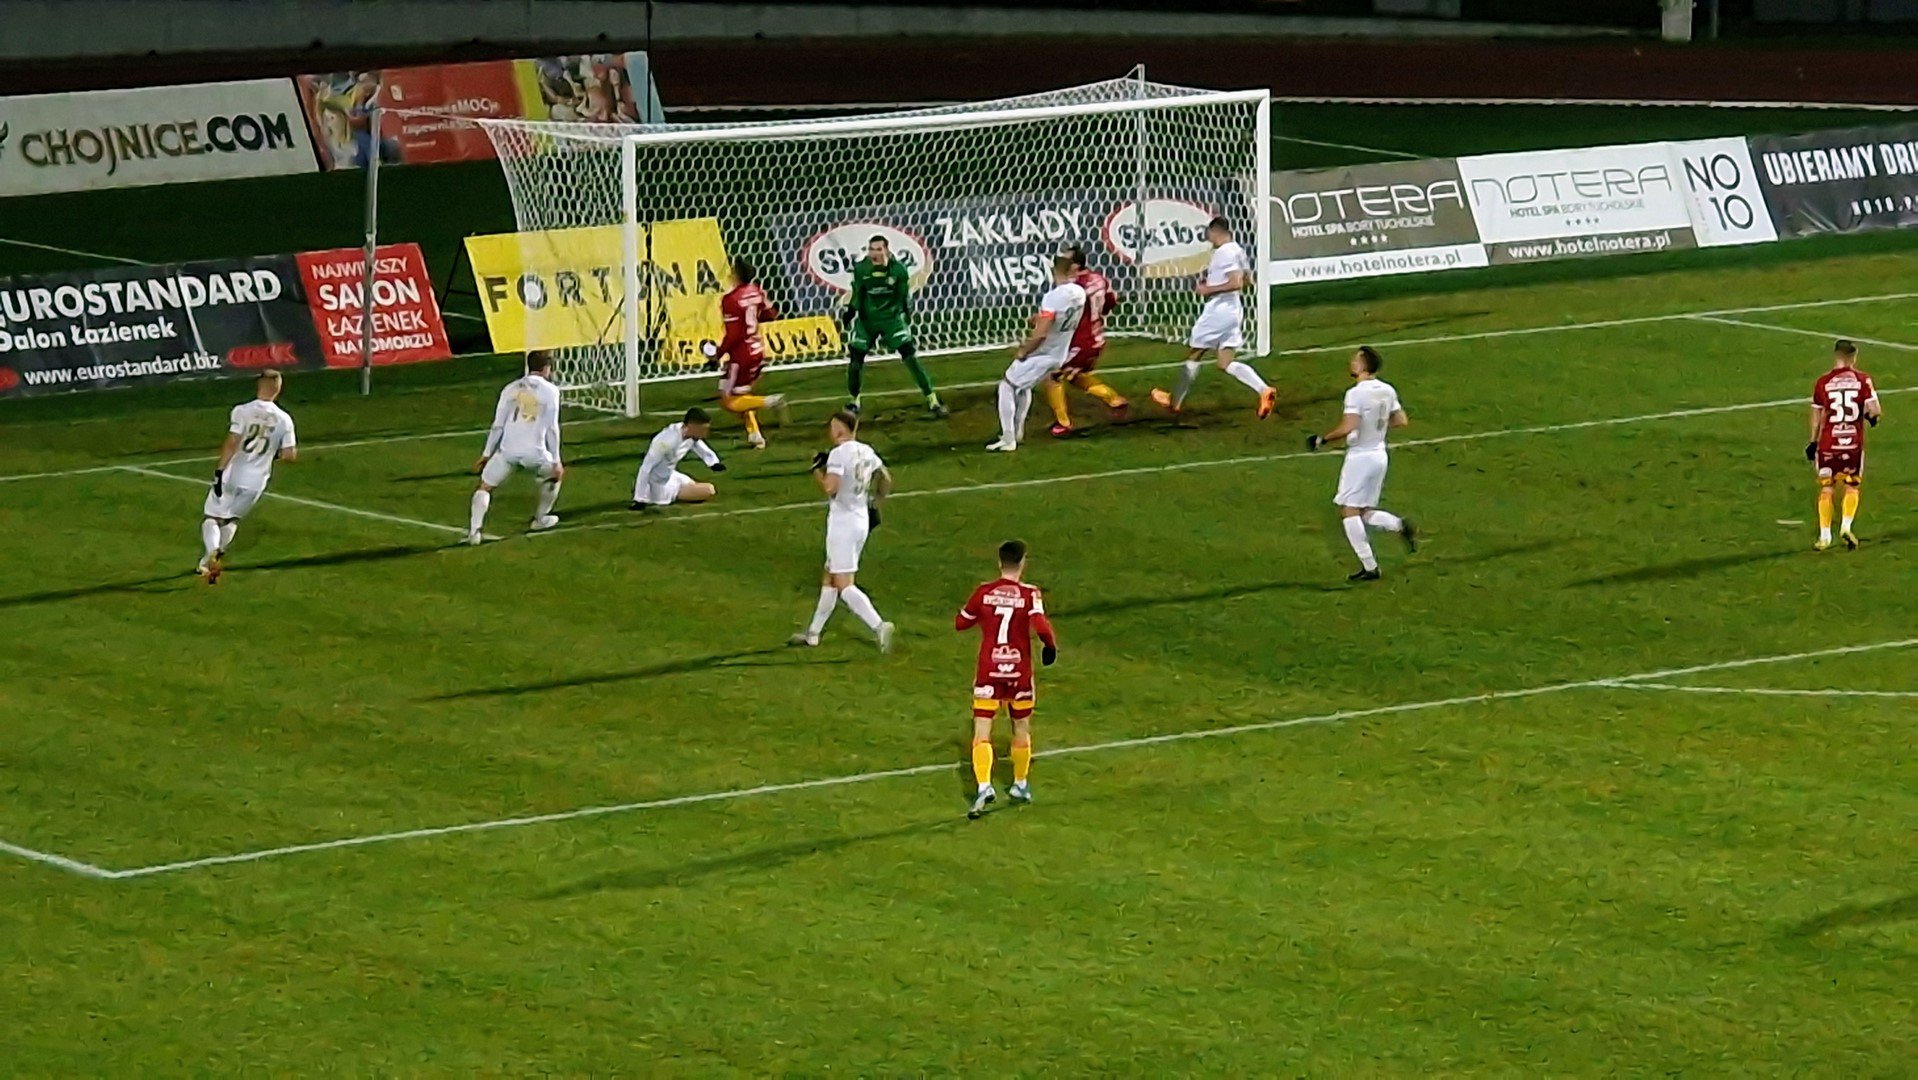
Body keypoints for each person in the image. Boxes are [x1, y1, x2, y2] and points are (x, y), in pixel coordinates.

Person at [955, 539, 1058, 819]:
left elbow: (961, 623)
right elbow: (1040, 624)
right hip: (1019, 671)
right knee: (1021, 727)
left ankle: (984, 786)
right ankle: (1019, 784)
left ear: (999, 562)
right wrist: (1050, 646)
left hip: (989, 670)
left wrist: (983, 616)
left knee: (982, 730)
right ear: (1022, 562)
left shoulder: (984, 592)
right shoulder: (1030, 594)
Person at [1150, 217, 1277, 420]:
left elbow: (1236, 283)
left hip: (1219, 311)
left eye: (1209, 234)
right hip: (1234, 310)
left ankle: (1174, 402)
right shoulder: (1238, 250)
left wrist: (1208, 289)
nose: (1208, 239)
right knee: (1225, 362)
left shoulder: (1224, 253)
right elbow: (1248, 280)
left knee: (1195, 353)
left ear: (1215, 232)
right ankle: (1264, 390)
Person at [1307, 346, 1416, 581]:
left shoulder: (1355, 394)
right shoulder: (1387, 390)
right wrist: (1376, 424)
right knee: (1364, 511)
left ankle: (1370, 567)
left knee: (1348, 511)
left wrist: (1322, 439)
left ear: (1363, 366)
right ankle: (1398, 525)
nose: (1351, 363)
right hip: (1380, 455)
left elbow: (1349, 426)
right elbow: (1401, 420)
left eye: (1355, 360)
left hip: (1360, 457)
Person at [790, 410, 895, 651]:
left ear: (839, 430)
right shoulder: (867, 450)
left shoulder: (838, 454)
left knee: (843, 584)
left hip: (842, 524)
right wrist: (876, 502)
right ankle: (813, 634)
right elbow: (886, 478)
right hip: (860, 520)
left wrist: (817, 470)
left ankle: (879, 625)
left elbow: (831, 488)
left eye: (832, 427)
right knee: (829, 576)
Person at [196, 370, 298, 584]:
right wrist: (271, 454)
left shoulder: (242, 410)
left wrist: (219, 470)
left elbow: (233, 442)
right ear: (278, 389)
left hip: (232, 474)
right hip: (257, 481)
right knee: (232, 519)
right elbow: (289, 455)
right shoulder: (285, 419)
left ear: (259, 385)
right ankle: (209, 560)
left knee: (212, 517)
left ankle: (212, 551)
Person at [987, 253, 1085, 452]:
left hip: (1043, 353)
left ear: (1053, 270)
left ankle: (1008, 439)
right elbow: (1060, 317)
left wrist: (1024, 350)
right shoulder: (1080, 293)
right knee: (1023, 387)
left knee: (1007, 386)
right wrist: (1040, 318)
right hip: (1060, 353)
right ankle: (1017, 432)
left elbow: (1041, 334)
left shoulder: (1053, 297)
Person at [843, 235, 947, 418]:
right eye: (871, 249)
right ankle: (854, 401)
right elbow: (858, 293)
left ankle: (932, 399)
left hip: (891, 319)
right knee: (855, 360)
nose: (873, 254)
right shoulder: (861, 269)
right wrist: (851, 311)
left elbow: (903, 296)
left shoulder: (898, 270)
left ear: (887, 250)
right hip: (867, 321)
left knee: (910, 356)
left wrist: (906, 314)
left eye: (878, 249)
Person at [468, 351, 564, 544]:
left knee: (485, 487)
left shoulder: (510, 388)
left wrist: (486, 454)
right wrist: (556, 460)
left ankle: (474, 532)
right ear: (546, 369)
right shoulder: (550, 391)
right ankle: (540, 519)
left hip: (507, 452)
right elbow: (552, 428)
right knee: (555, 476)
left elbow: (498, 425)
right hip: (535, 454)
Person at [1044, 244, 1129, 437]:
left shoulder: (1072, 287)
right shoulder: (1099, 279)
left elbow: (1061, 314)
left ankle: (1063, 423)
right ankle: (1114, 399)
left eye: (1065, 261)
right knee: (1075, 376)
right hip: (1096, 338)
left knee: (1053, 375)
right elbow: (1110, 303)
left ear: (1075, 265)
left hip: (1080, 341)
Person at [1808, 338, 1882, 550]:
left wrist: (1812, 442)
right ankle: (1846, 527)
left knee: (1827, 488)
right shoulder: (1863, 380)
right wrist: (1870, 418)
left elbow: (1816, 415)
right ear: (1853, 357)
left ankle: (1824, 537)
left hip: (1828, 444)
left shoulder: (1823, 382)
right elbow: (1875, 410)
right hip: (1852, 444)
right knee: (1852, 485)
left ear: (1836, 356)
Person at [714, 257, 788, 450]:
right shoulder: (757, 291)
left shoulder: (730, 300)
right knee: (743, 394)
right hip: (757, 350)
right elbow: (771, 314)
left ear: (735, 274)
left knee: (729, 400)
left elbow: (733, 335)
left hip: (741, 355)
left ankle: (770, 401)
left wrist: (718, 353)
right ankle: (755, 436)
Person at [631, 408, 725, 509]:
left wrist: (713, 463)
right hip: (658, 485)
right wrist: (640, 498)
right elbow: (646, 467)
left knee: (697, 486)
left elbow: (699, 446)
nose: (705, 434)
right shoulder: (666, 441)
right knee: (709, 490)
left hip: (671, 475)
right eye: (702, 430)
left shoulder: (689, 434)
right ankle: (652, 494)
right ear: (692, 426)